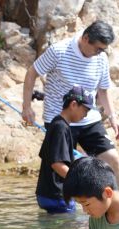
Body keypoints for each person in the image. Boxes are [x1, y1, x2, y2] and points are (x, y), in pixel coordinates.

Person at [22, 20, 119, 192]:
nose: (100, 53)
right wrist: (27, 107)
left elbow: (103, 91)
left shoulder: (101, 59)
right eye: (98, 48)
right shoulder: (59, 51)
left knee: (113, 159)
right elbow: (32, 73)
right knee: (60, 175)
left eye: (103, 49)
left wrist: (113, 117)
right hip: (60, 121)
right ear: (85, 38)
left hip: (89, 120)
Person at [36, 85, 92, 214]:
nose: (86, 115)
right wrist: (80, 183)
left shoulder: (57, 124)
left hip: (46, 193)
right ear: (73, 105)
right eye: (85, 110)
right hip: (57, 195)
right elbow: (57, 164)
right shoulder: (61, 128)